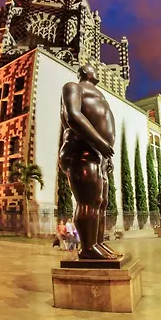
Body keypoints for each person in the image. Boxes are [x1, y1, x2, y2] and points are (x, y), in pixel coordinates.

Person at [59, 65, 120, 259]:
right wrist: (100, 143)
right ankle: (87, 248)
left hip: (98, 155)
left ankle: (97, 243)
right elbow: (73, 116)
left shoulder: (100, 95)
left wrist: (105, 155)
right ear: (84, 73)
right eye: (93, 70)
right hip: (81, 150)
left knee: (101, 202)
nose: (97, 73)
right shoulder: (73, 87)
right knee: (88, 201)